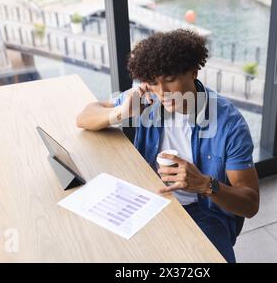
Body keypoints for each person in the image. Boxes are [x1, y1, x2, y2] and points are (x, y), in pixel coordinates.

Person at [76, 29, 259, 263]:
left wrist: (205, 184)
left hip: (202, 213)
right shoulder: (147, 100)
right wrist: (122, 112)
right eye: (153, 82)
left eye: (170, 79)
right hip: (147, 199)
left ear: (193, 71)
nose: (162, 92)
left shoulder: (229, 124)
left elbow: (250, 204)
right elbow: (84, 117)